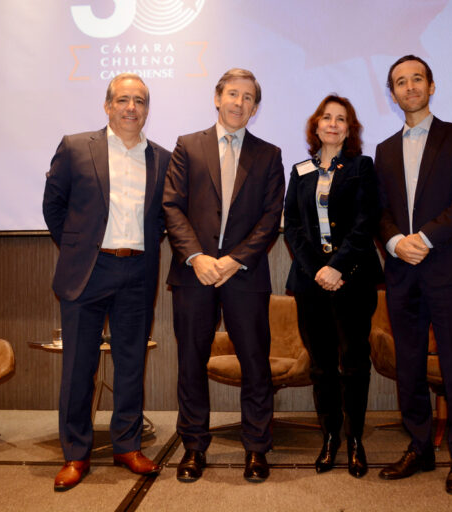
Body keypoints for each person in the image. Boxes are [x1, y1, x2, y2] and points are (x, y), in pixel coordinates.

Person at [42, 73, 171, 491]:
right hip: (88, 272)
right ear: (107, 105)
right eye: (123, 100)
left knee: (131, 364)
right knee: (79, 368)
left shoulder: (163, 158)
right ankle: (76, 454)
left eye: (139, 101)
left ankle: (127, 446)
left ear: (147, 109)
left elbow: (163, 218)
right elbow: (53, 206)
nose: (131, 107)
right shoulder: (76, 147)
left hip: (138, 272)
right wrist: (79, 248)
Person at [163, 68, 285, 483]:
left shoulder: (269, 154)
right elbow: (172, 206)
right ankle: (193, 446)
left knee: (255, 363)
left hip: (245, 276)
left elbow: (270, 217)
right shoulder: (187, 146)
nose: (239, 102)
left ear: (255, 107)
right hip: (193, 274)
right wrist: (197, 257)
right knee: (191, 362)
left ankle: (256, 447)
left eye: (248, 97)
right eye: (233, 94)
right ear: (217, 98)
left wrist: (235, 259)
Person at [375, 55, 452, 494]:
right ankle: (419, 447)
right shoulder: (384, 150)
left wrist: (424, 238)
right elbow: (380, 211)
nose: (410, 87)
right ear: (393, 94)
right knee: (409, 365)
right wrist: (395, 242)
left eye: (417, 78)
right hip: (402, 272)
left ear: (431, 86)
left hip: (448, 270)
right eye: (400, 82)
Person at [283, 94, 382, 478]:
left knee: (353, 364)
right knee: (322, 366)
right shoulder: (300, 170)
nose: (333, 124)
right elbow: (292, 225)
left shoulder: (361, 167)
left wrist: (337, 267)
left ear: (349, 128)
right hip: (311, 283)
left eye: (341, 119)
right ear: (316, 125)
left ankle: (355, 440)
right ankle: (330, 438)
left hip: (353, 279)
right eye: (327, 117)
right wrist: (317, 270)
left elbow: (366, 221)